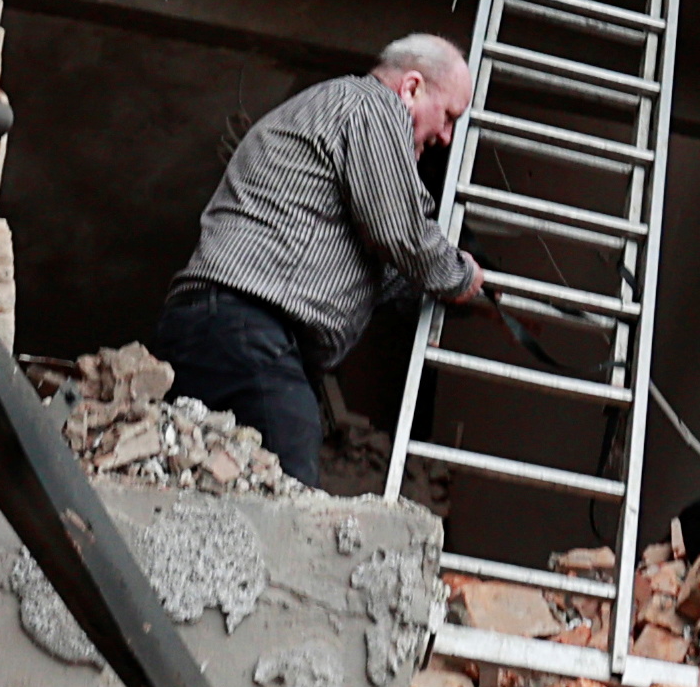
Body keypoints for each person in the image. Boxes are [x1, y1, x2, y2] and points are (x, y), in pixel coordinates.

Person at [152, 35, 487, 484]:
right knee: (290, 487)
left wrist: (454, 297)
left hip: (221, 328)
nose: (446, 137)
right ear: (410, 88)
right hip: (247, 327)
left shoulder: (335, 119)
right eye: (448, 117)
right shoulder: (372, 108)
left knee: (218, 486)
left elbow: (387, 270)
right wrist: (458, 274)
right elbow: (402, 232)